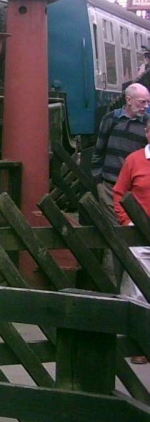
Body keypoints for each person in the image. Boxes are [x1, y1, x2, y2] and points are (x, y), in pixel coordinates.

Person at [112, 120, 150, 363]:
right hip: (139, 237)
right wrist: (127, 222)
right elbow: (118, 194)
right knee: (137, 291)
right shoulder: (134, 160)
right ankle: (138, 344)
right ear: (147, 132)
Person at [91, 82, 150, 220]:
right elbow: (99, 151)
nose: (146, 106)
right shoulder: (111, 119)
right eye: (142, 102)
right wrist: (98, 181)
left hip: (136, 190)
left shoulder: (147, 124)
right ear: (129, 100)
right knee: (115, 232)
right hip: (109, 187)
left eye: (148, 102)